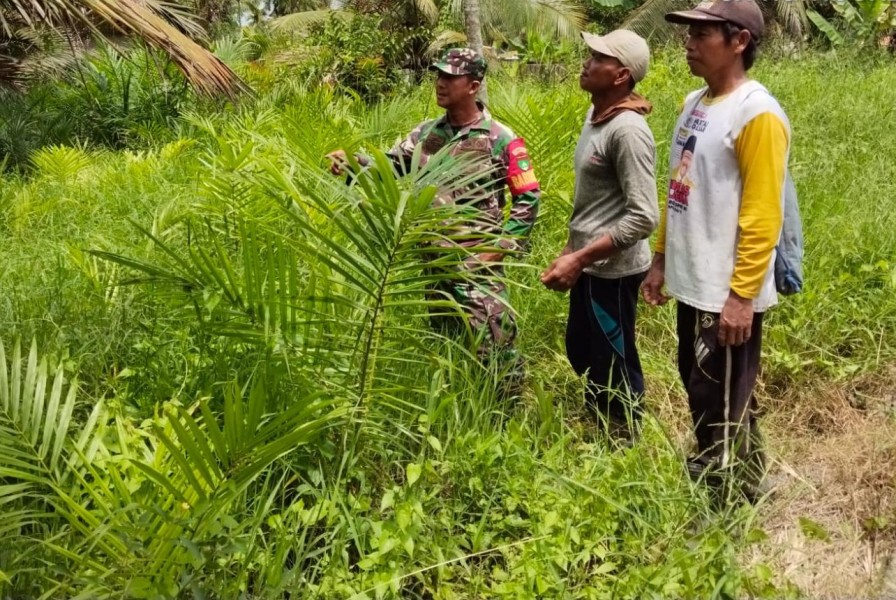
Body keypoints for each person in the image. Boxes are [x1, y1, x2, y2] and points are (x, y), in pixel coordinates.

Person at [641, 0, 791, 499]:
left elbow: (763, 213)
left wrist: (742, 295)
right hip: (695, 283)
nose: (688, 42)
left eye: (702, 34)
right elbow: (677, 188)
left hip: (727, 290)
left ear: (739, 41)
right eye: (689, 32)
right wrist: (660, 261)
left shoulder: (757, 113)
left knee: (717, 398)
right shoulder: (694, 104)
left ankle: (720, 508)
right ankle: (748, 483)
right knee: (705, 386)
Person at [327, 48, 541, 382]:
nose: (440, 83)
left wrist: (499, 248)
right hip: (434, 262)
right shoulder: (426, 134)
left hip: (476, 263)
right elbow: (392, 165)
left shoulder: (500, 138)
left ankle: (505, 416)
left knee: (495, 345)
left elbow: (528, 199)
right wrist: (353, 163)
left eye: (450, 77)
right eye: (438, 75)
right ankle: (458, 406)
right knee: (447, 342)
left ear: (473, 85)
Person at [540, 29, 658, 441]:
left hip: (613, 270)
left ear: (621, 75)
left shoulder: (627, 131)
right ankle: (600, 422)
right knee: (583, 349)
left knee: (614, 356)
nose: (586, 63)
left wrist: (582, 257)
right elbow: (595, 202)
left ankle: (624, 436)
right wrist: (570, 250)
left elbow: (643, 216)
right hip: (590, 262)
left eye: (597, 59)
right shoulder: (596, 119)